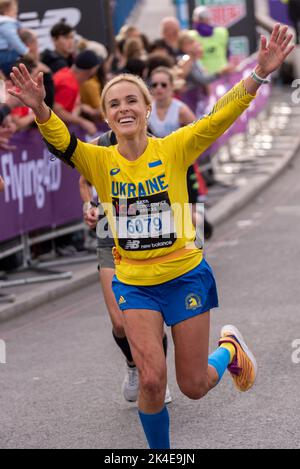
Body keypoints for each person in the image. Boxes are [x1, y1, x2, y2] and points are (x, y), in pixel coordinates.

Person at [9, 24, 294, 449]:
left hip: (184, 276)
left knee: (195, 385)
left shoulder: (174, 147)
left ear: (146, 108)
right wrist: (40, 109)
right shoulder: (99, 160)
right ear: (106, 116)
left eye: (131, 101)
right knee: (152, 380)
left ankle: (229, 352)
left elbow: (219, 117)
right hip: (136, 284)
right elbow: (62, 141)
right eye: (114, 104)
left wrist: (259, 74)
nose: (123, 109)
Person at [79, 131, 172, 404]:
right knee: (120, 323)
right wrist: (89, 205)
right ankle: (134, 364)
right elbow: (83, 181)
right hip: (110, 236)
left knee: (150, 320)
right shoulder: (101, 144)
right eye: (115, 104)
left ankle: (156, 376)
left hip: (145, 239)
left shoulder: (156, 144)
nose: (123, 111)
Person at [148, 66, 211, 241]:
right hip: (159, 170)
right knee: (170, 216)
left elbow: (199, 134)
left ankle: (198, 250)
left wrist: (189, 154)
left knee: (188, 216)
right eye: (155, 85)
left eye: (163, 84)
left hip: (183, 167)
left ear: (171, 87)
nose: (159, 88)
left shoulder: (180, 110)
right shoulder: (147, 111)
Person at [53, 50, 101, 135]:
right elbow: (57, 111)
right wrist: (82, 122)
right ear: (92, 71)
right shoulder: (69, 85)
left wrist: (81, 107)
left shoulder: (65, 71)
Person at [189, 5, 230, 74]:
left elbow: (227, 52)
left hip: (222, 73)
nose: (203, 21)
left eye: (204, 18)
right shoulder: (191, 36)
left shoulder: (221, 32)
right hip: (205, 75)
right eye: (201, 19)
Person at [0, 0, 28, 76]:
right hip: (5, 56)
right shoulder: (6, 23)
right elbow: (14, 41)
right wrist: (26, 52)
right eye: (14, 11)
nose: (16, 13)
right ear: (5, 11)